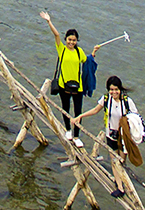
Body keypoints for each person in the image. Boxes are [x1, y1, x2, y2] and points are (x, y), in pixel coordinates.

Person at [39, 11, 104, 147]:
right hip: (64, 86)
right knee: (65, 109)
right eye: (69, 39)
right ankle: (68, 129)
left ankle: (76, 136)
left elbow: (87, 62)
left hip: (77, 87)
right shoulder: (61, 49)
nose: (71, 42)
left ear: (76, 41)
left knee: (78, 112)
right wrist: (49, 21)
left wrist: (94, 51)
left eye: (74, 40)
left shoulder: (79, 52)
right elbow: (56, 34)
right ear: (66, 39)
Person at [76, 76, 143, 197]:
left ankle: (123, 183)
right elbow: (96, 110)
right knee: (114, 160)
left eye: (116, 89)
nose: (114, 92)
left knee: (121, 161)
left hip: (123, 137)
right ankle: (120, 187)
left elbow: (136, 118)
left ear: (120, 89)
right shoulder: (106, 99)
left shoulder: (127, 102)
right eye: (111, 90)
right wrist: (81, 116)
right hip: (110, 134)